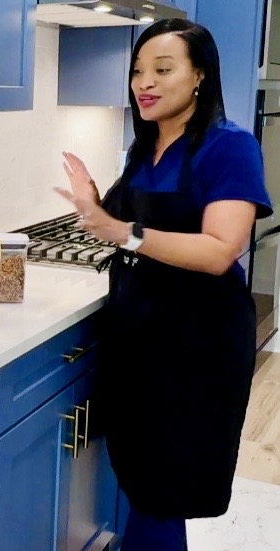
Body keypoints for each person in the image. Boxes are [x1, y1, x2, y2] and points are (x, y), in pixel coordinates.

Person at [56, 18, 272, 551]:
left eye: (162, 69)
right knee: (141, 481)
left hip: (196, 345)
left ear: (199, 75)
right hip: (138, 336)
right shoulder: (145, 147)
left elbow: (220, 250)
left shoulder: (229, 146)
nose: (144, 82)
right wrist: (94, 205)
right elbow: (123, 223)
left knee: (164, 488)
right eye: (137, 71)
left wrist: (119, 231)